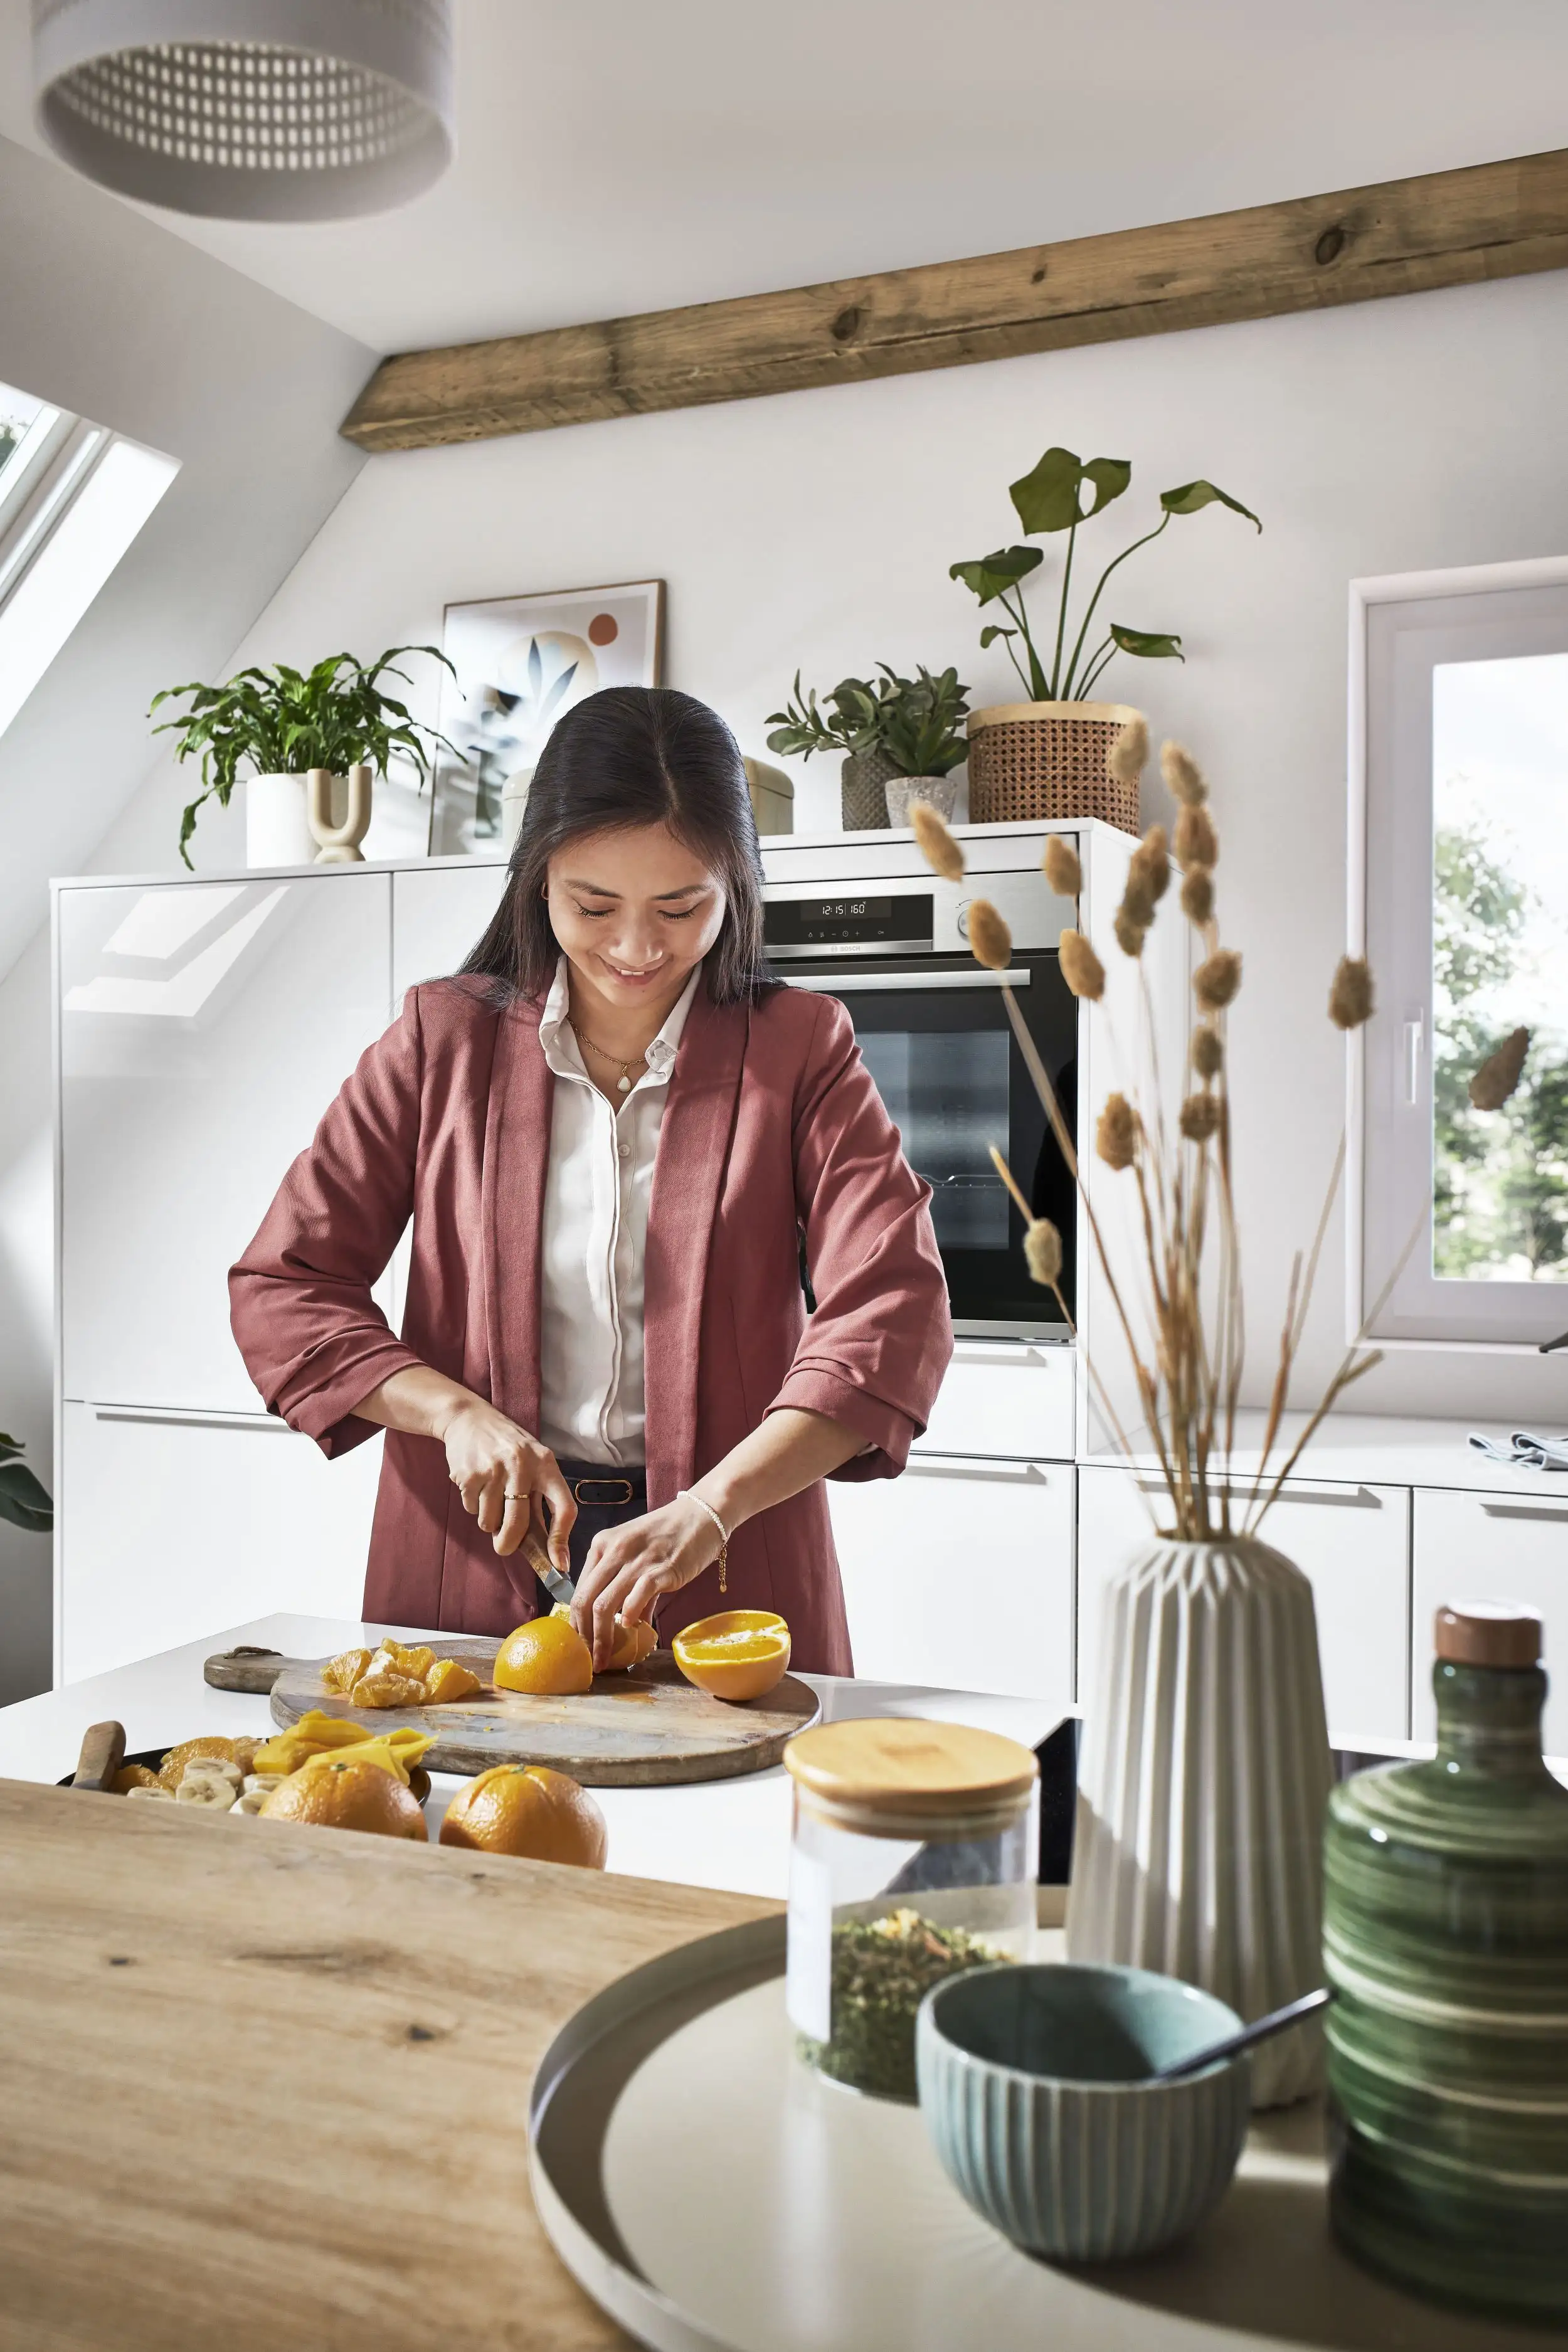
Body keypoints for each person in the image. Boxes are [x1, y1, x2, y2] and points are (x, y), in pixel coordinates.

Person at [229, 686, 951, 1673]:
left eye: (681, 906)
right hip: (471, 1559)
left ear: (736, 884)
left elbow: (893, 1309)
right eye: (594, 905)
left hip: (727, 1558)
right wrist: (451, 1411)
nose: (636, 948)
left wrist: (712, 1504)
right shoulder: (441, 1041)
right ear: (538, 880)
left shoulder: (800, 1051)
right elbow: (286, 1283)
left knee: (726, 1825)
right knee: (455, 1818)